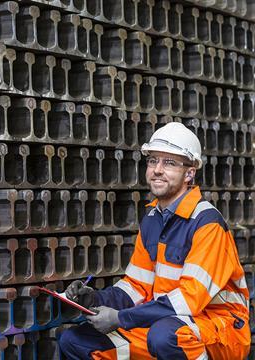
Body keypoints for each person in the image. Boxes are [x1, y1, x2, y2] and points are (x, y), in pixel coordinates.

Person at [59, 122, 250, 359]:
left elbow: (189, 301)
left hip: (219, 328)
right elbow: (136, 286)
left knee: (165, 337)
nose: (157, 170)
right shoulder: (152, 219)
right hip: (165, 322)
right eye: (153, 161)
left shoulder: (207, 223)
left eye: (169, 163)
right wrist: (94, 298)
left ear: (189, 173)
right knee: (76, 341)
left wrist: (120, 318)